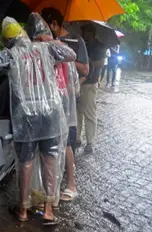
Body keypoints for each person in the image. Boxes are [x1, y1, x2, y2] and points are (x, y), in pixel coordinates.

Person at [0, 16, 76, 225]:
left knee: (26, 162)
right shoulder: (45, 49)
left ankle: (22, 209)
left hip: (27, 117)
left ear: (7, 41)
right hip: (51, 114)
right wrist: (47, 40)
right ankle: (48, 211)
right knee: (50, 160)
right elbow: (71, 54)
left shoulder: (10, 54)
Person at [41, 7, 87, 201]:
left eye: (45, 26)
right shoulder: (42, 42)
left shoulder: (76, 41)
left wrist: (57, 48)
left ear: (53, 24)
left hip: (66, 100)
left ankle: (71, 185)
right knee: (49, 142)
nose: (43, 30)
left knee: (67, 142)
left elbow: (85, 69)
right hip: (48, 98)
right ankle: (50, 184)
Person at [78, 23, 107, 154]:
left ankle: (90, 142)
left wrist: (88, 61)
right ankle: (77, 138)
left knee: (89, 113)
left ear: (92, 33)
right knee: (77, 112)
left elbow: (101, 63)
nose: (83, 34)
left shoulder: (99, 46)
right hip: (78, 82)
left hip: (90, 83)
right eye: (83, 31)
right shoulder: (80, 43)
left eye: (86, 32)